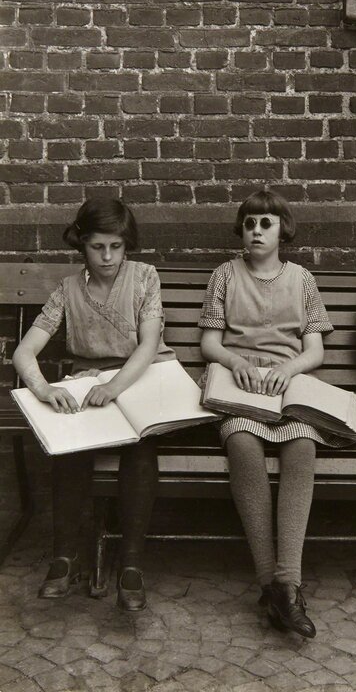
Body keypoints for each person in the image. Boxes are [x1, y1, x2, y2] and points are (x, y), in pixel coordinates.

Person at [199, 189, 356, 639]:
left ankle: (288, 583)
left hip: (288, 386)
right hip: (241, 387)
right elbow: (210, 343)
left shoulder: (302, 280)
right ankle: (270, 583)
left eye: (266, 224)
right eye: (250, 223)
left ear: (282, 231)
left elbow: (315, 349)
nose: (256, 231)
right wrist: (237, 364)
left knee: (301, 447)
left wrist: (286, 368)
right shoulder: (225, 275)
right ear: (241, 229)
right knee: (242, 445)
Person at [13, 199, 175, 611]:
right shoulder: (68, 290)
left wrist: (117, 386)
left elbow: (149, 343)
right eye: (98, 246)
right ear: (82, 245)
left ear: (127, 247)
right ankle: (65, 555)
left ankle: (131, 563)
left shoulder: (144, 278)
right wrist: (44, 389)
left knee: (141, 448)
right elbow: (24, 353)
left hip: (139, 381)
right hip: (90, 385)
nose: (107, 257)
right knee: (69, 449)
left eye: (116, 247)